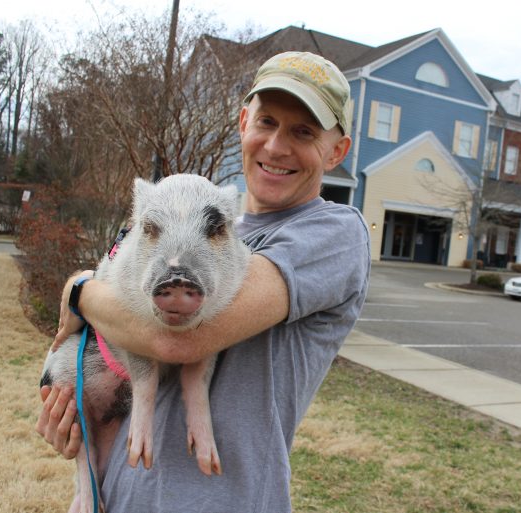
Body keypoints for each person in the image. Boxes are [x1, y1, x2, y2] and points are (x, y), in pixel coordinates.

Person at [36, 51, 371, 512]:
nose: (276, 146)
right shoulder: (202, 223)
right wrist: (76, 411)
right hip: (119, 492)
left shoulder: (334, 234)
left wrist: (78, 291)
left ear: (337, 151)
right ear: (242, 123)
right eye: (267, 121)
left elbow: (176, 340)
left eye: (304, 132)